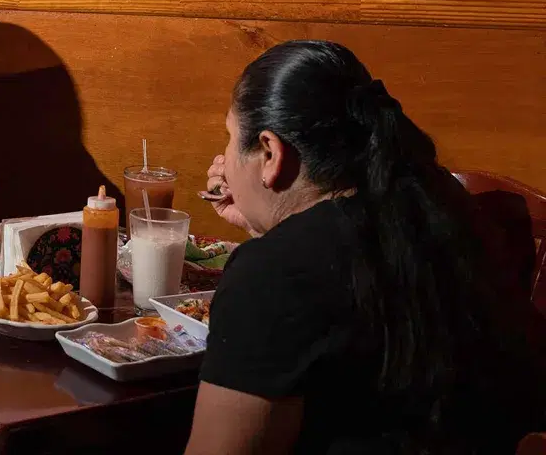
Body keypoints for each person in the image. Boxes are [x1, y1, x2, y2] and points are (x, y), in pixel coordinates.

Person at [186, 40, 546, 455]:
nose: (225, 162)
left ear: (270, 151)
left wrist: (270, 254)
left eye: (230, 138)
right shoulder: (442, 208)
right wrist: (269, 229)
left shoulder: (275, 273)